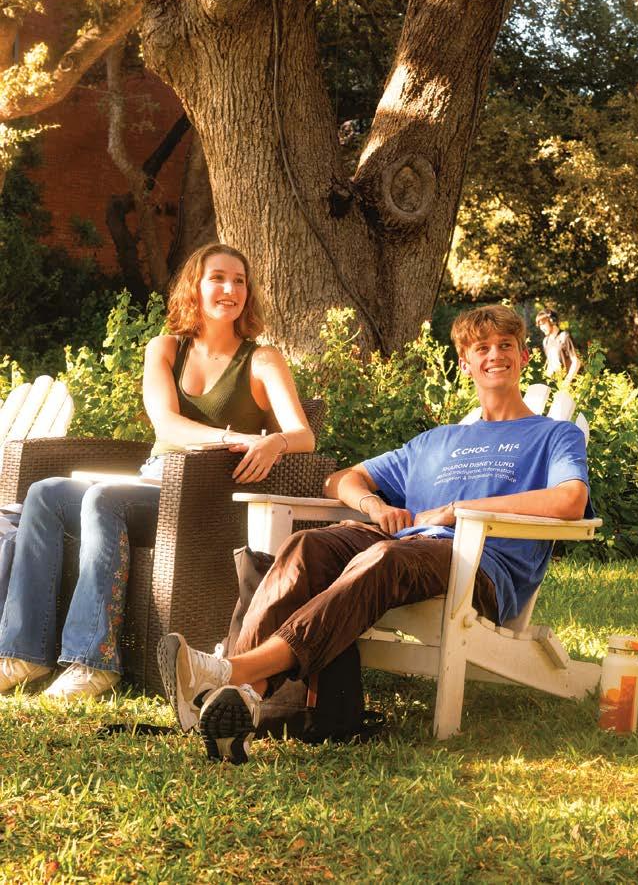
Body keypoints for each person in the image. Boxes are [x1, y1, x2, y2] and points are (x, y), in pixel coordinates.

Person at [158, 304, 592, 760]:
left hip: (478, 566)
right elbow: (341, 480)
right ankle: (244, 696)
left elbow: (570, 499)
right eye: (482, 348)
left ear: (524, 357)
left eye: (506, 346)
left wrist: (456, 511)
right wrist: (374, 505)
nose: (495, 355)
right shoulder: (435, 442)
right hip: (404, 546)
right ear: (465, 364)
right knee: (307, 546)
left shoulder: (554, 435)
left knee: (383, 557)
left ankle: (227, 673)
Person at [0, 243, 315, 700]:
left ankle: (94, 663)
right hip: (152, 479)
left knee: (103, 497)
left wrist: (273, 442)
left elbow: (303, 435)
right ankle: (23, 652)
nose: (230, 289)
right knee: (45, 492)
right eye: (218, 278)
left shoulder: (262, 360)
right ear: (195, 287)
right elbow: (166, 424)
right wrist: (238, 437)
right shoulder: (165, 348)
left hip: (201, 495)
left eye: (239, 281)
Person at [536, 309, 581, 386]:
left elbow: (576, 362)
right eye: (540, 325)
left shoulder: (564, 337)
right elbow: (551, 363)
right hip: (555, 384)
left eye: (543, 324)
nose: (541, 328)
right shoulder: (546, 341)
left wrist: (567, 381)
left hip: (569, 385)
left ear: (552, 321)